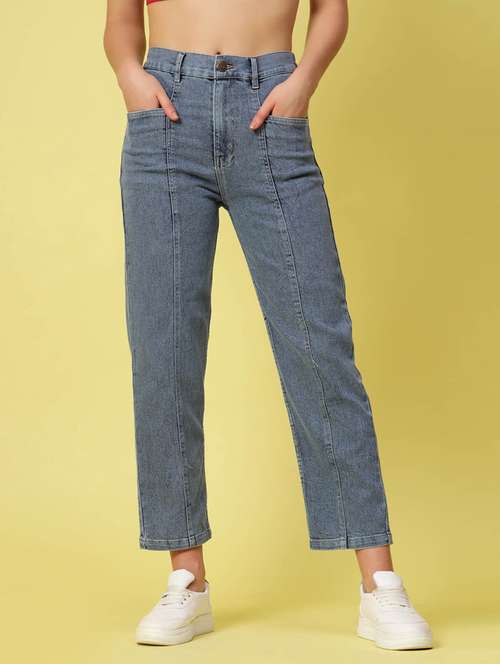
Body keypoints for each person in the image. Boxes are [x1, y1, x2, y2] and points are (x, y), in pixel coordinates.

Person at [103, 0, 433, 651]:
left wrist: (304, 79)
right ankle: (187, 579)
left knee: (320, 349)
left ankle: (380, 585)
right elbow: (120, 23)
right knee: (164, 352)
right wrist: (131, 77)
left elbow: (331, 10)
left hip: (270, 110)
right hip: (165, 120)